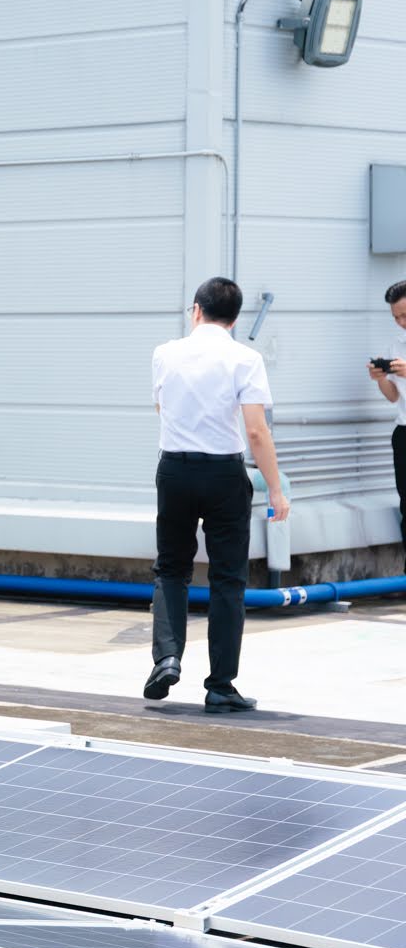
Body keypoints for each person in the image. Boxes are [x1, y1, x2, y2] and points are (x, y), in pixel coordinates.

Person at [149, 277, 288, 713]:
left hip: (174, 469)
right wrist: (277, 491)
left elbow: (161, 407)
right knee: (228, 579)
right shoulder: (245, 358)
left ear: (196, 310)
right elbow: (255, 430)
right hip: (225, 474)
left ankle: (167, 657)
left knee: (171, 569)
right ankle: (220, 684)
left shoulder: (164, 354)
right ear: (234, 317)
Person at [372, 280, 406, 546]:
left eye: (405, 315)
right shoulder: (396, 345)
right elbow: (394, 396)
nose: (401, 322)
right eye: (396, 317)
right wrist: (381, 379)